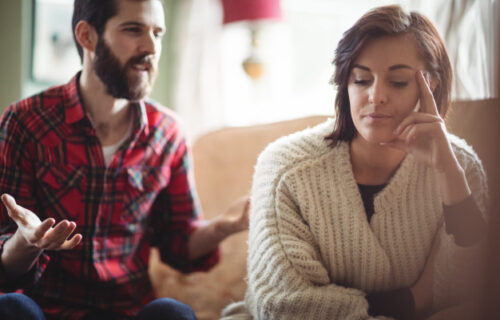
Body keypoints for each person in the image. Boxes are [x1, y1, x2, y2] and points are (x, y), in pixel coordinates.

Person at [221, 5, 488, 320]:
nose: (376, 96)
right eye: (361, 80)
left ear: (432, 84)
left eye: (398, 81)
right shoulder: (284, 168)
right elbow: (281, 305)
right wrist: (414, 301)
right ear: (344, 83)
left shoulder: (462, 168)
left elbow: (475, 289)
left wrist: (449, 174)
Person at [0, 0, 249, 319]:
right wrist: (27, 240)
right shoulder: (25, 122)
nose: (150, 46)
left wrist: (225, 226)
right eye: (133, 30)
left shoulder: (167, 133)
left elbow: (179, 245)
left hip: (128, 311)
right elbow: (6, 264)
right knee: (10, 308)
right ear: (87, 36)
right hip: (45, 309)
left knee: (174, 313)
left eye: (157, 33)